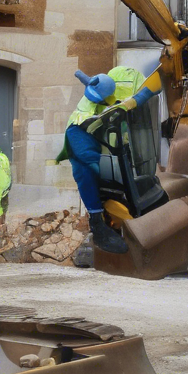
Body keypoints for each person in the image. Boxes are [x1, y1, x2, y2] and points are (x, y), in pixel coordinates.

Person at [59, 65, 162, 253]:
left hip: (113, 136)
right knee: (86, 168)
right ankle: (97, 222)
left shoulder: (123, 81)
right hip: (86, 132)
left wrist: (134, 101)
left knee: (121, 170)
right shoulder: (90, 105)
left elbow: (156, 86)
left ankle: (125, 212)